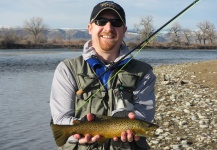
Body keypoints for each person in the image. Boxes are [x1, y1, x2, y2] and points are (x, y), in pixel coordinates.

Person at [50, 1, 156, 149]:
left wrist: (134, 120)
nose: (108, 28)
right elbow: (61, 119)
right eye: (101, 22)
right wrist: (79, 132)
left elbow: (145, 114)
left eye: (116, 22)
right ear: (90, 28)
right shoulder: (66, 69)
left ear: (124, 30)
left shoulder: (144, 72)